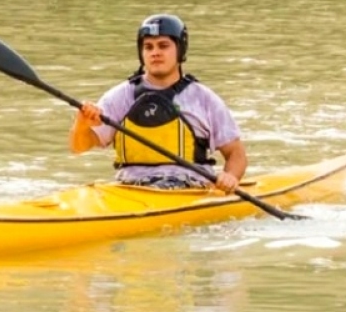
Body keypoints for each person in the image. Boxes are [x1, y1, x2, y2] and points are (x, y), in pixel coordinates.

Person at [69, 13, 247, 193]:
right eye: (148, 47)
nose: (155, 53)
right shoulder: (120, 96)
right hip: (130, 188)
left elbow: (236, 154)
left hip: (188, 188)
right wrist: (82, 123)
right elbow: (78, 147)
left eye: (163, 46)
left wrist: (230, 176)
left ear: (180, 50)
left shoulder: (204, 99)